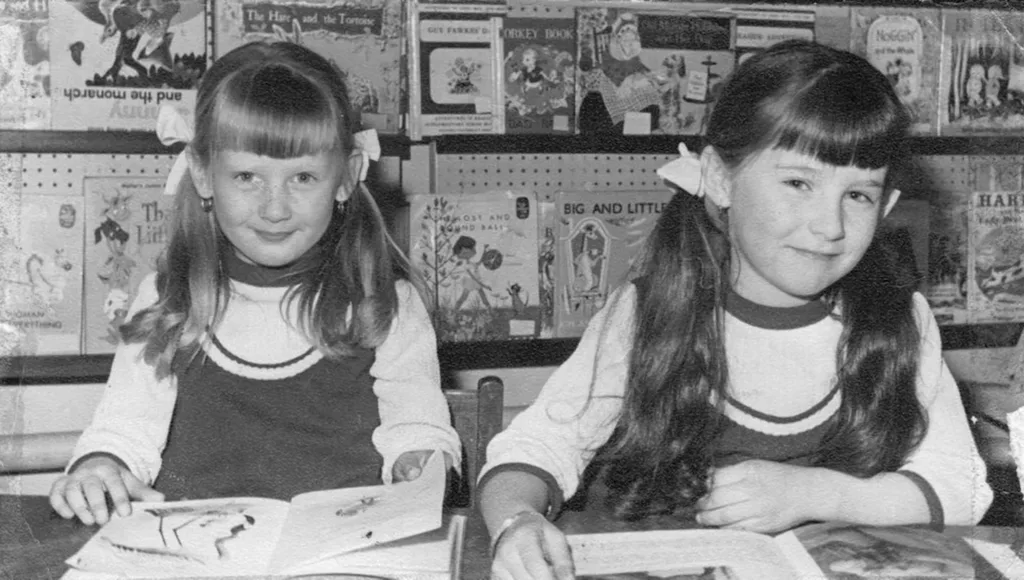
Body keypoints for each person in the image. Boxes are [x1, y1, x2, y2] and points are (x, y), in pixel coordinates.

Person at [478, 39, 992, 580]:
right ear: (722, 180)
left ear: (886, 206)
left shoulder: (899, 319)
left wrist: (816, 494)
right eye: (798, 183)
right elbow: (539, 445)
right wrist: (517, 521)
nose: (831, 225)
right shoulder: (650, 311)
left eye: (858, 195)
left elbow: (961, 488)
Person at [49, 41, 461, 526]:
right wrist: (101, 465)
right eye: (247, 176)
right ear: (202, 174)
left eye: (303, 177)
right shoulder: (168, 299)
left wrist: (420, 460)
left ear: (347, 177)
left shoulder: (385, 303)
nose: (275, 208)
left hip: (340, 552)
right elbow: (124, 429)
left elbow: (417, 425)